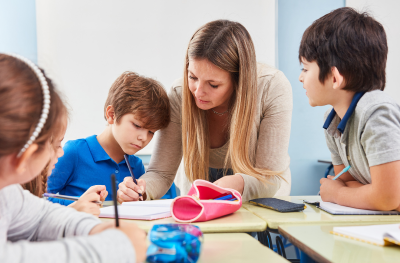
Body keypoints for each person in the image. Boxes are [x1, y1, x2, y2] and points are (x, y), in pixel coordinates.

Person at [0, 53, 147, 263]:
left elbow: (40, 218)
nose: (60, 152)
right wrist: (115, 249)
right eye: (56, 144)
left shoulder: (7, 192)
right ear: (26, 156)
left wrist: (94, 231)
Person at [118, 20, 293, 203]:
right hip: (198, 194)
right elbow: (161, 173)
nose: (198, 92)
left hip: (262, 196)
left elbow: (269, 179)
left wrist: (238, 183)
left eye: (213, 84)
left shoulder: (272, 87)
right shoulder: (179, 93)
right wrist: (140, 190)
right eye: (192, 77)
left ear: (239, 80)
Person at [299, 7, 400, 211]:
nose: (301, 77)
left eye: (305, 68)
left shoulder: (376, 112)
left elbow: (387, 198)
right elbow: (349, 182)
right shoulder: (333, 121)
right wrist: (365, 193)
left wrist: (336, 194)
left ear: (335, 78)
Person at [48, 72, 175, 204]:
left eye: (151, 132)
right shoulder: (74, 152)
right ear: (112, 115)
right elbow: (39, 199)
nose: (143, 138)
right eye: (137, 125)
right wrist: (78, 206)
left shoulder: (136, 167)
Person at [22, 109, 107, 216]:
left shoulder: (26, 190)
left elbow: (40, 215)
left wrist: (80, 202)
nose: (62, 153)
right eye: (57, 145)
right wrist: (74, 209)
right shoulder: (10, 195)